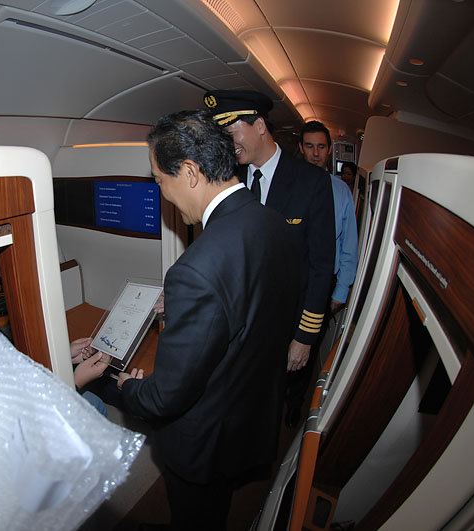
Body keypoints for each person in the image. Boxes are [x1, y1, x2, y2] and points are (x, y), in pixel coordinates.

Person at [117, 110, 299, 530]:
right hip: (248, 418)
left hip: (205, 441)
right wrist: (194, 310)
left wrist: (128, 389)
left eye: (159, 180)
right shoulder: (274, 223)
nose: (161, 193)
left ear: (190, 172)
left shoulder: (195, 270)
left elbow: (166, 396)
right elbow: (253, 308)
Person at [203, 89, 335, 428]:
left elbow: (321, 267)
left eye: (232, 132)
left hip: (287, 324)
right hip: (240, 324)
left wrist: (304, 337)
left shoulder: (312, 182)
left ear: (260, 126)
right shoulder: (228, 180)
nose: (229, 143)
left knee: (275, 407)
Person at [0, 252, 111, 415]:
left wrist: (62, 357)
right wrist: (76, 382)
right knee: (94, 405)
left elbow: (12, 373)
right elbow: (16, 416)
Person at [299, 121, 358, 315]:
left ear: (330, 149)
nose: (316, 153)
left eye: (321, 147)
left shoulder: (341, 191)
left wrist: (341, 290)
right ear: (301, 148)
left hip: (325, 283)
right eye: (310, 146)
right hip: (292, 279)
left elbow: (348, 244)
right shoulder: (290, 187)